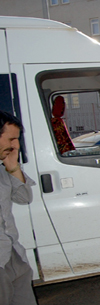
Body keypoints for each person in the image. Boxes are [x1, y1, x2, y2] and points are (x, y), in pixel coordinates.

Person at [0, 111, 37, 305]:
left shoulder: (3, 170)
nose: (15, 145)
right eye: (11, 139)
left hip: (12, 254)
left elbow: (24, 198)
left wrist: (13, 166)